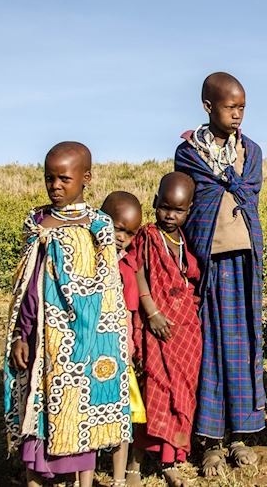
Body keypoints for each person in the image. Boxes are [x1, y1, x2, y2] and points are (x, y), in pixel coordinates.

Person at [4, 142, 131, 487]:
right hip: (39, 337)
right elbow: (27, 285)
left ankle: (83, 482)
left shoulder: (98, 225)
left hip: (84, 340)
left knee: (81, 412)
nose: (55, 186)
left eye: (64, 178)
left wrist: (107, 338)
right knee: (38, 405)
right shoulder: (36, 221)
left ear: (85, 178)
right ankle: (34, 478)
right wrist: (21, 332)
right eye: (49, 178)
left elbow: (108, 290)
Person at [174, 72, 266, 473]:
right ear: (208, 107)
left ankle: (241, 435)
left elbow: (250, 194)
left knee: (243, 346)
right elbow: (193, 205)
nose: (238, 115)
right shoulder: (188, 154)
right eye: (231, 107)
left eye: (242, 107)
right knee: (210, 349)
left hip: (243, 262)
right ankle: (211, 440)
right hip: (208, 265)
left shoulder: (252, 151)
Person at [121, 173, 201, 486]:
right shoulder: (147, 236)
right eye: (165, 207)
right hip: (156, 324)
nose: (170, 215)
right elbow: (137, 270)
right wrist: (151, 311)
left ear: (189, 210)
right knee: (151, 390)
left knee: (180, 393)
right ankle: (134, 466)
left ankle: (170, 461)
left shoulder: (183, 238)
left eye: (178, 210)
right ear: (155, 203)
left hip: (185, 330)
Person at [101, 191, 146, 486]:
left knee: (123, 416)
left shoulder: (130, 264)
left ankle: (120, 477)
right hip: (95, 351)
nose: (121, 237)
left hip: (123, 351)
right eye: (116, 228)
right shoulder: (90, 262)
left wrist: (135, 347)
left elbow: (135, 313)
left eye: (128, 233)